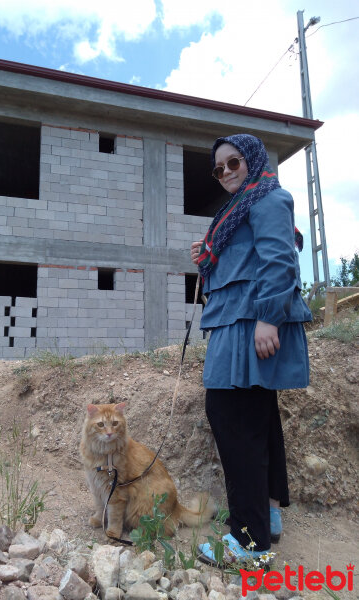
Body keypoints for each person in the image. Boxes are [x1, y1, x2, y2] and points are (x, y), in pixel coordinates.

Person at [191, 133, 312, 565]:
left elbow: (280, 260)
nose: (225, 173)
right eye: (218, 168)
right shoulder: (239, 207)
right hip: (234, 321)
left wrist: (268, 318)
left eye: (234, 163)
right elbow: (249, 257)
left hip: (250, 324)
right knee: (257, 418)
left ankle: (249, 541)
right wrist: (210, 256)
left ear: (253, 161)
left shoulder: (267, 198)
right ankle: (269, 513)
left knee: (230, 418)